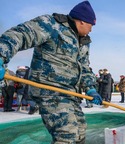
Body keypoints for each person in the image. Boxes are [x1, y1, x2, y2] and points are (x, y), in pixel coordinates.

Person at [0, 1, 103, 143]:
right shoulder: (52, 25)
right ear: (81, 21)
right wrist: (1, 55)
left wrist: (90, 88)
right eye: (91, 25)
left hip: (70, 93)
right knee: (67, 134)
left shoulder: (84, 42)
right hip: (49, 91)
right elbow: (22, 34)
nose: (91, 29)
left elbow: (84, 67)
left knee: (80, 131)